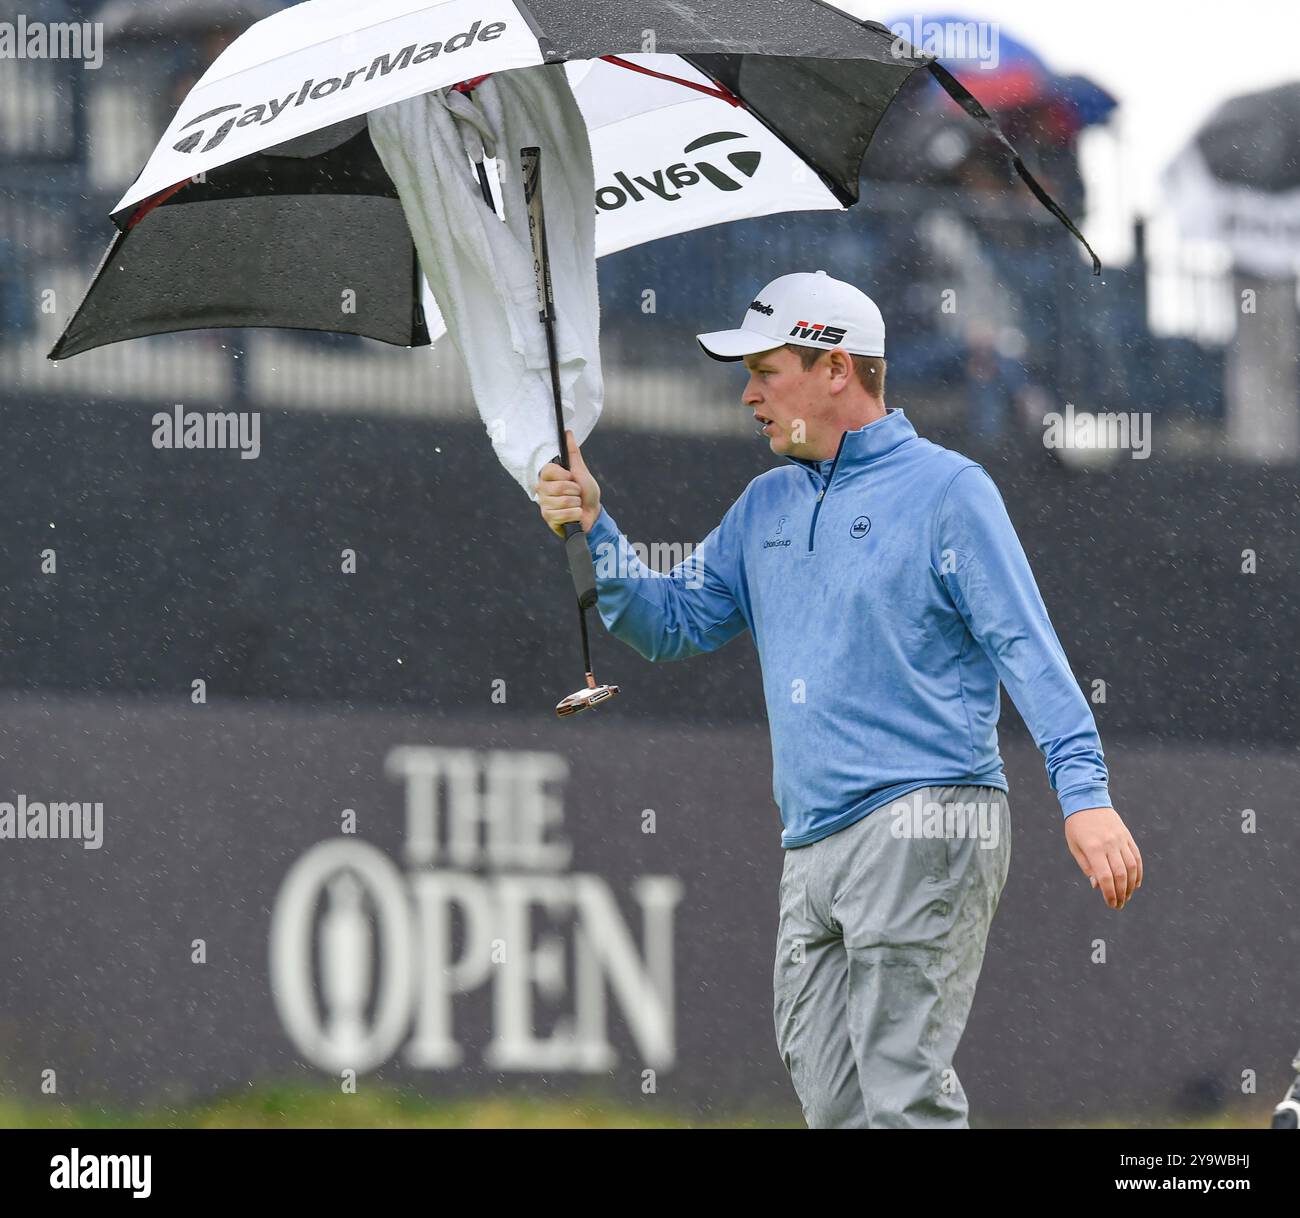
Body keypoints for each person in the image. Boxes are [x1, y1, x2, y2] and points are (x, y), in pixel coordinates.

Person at [534, 270, 1143, 1129]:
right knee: (836, 1105)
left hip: (926, 814)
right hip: (811, 840)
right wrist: (596, 524)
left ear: (836, 369)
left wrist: (1085, 796)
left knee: (899, 1097)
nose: (747, 394)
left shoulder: (949, 490)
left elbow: (1026, 651)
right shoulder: (765, 503)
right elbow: (667, 622)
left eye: (765, 371)